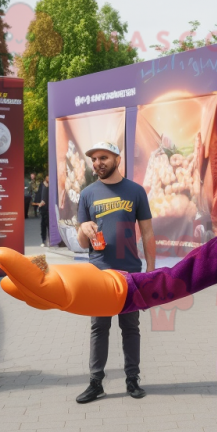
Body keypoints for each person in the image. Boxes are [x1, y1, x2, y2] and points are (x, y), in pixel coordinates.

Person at [75, 142, 155, 403]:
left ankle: (132, 379)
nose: (98, 162)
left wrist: (151, 272)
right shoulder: (87, 194)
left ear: (117, 159)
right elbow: (82, 243)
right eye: (94, 159)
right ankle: (96, 381)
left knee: (130, 328)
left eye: (103, 157)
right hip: (98, 273)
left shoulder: (135, 191)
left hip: (129, 272)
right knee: (99, 327)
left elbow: (147, 233)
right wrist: (83, 228)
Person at [34, 175, 50, 247]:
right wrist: (39, 204)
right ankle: (43, 240)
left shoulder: (51, 186)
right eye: (47, 177)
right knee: (43, 225)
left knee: (49, 225)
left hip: (50, 208)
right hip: (43, 208)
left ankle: (50, 240)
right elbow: (38, 195)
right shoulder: (42, 185)